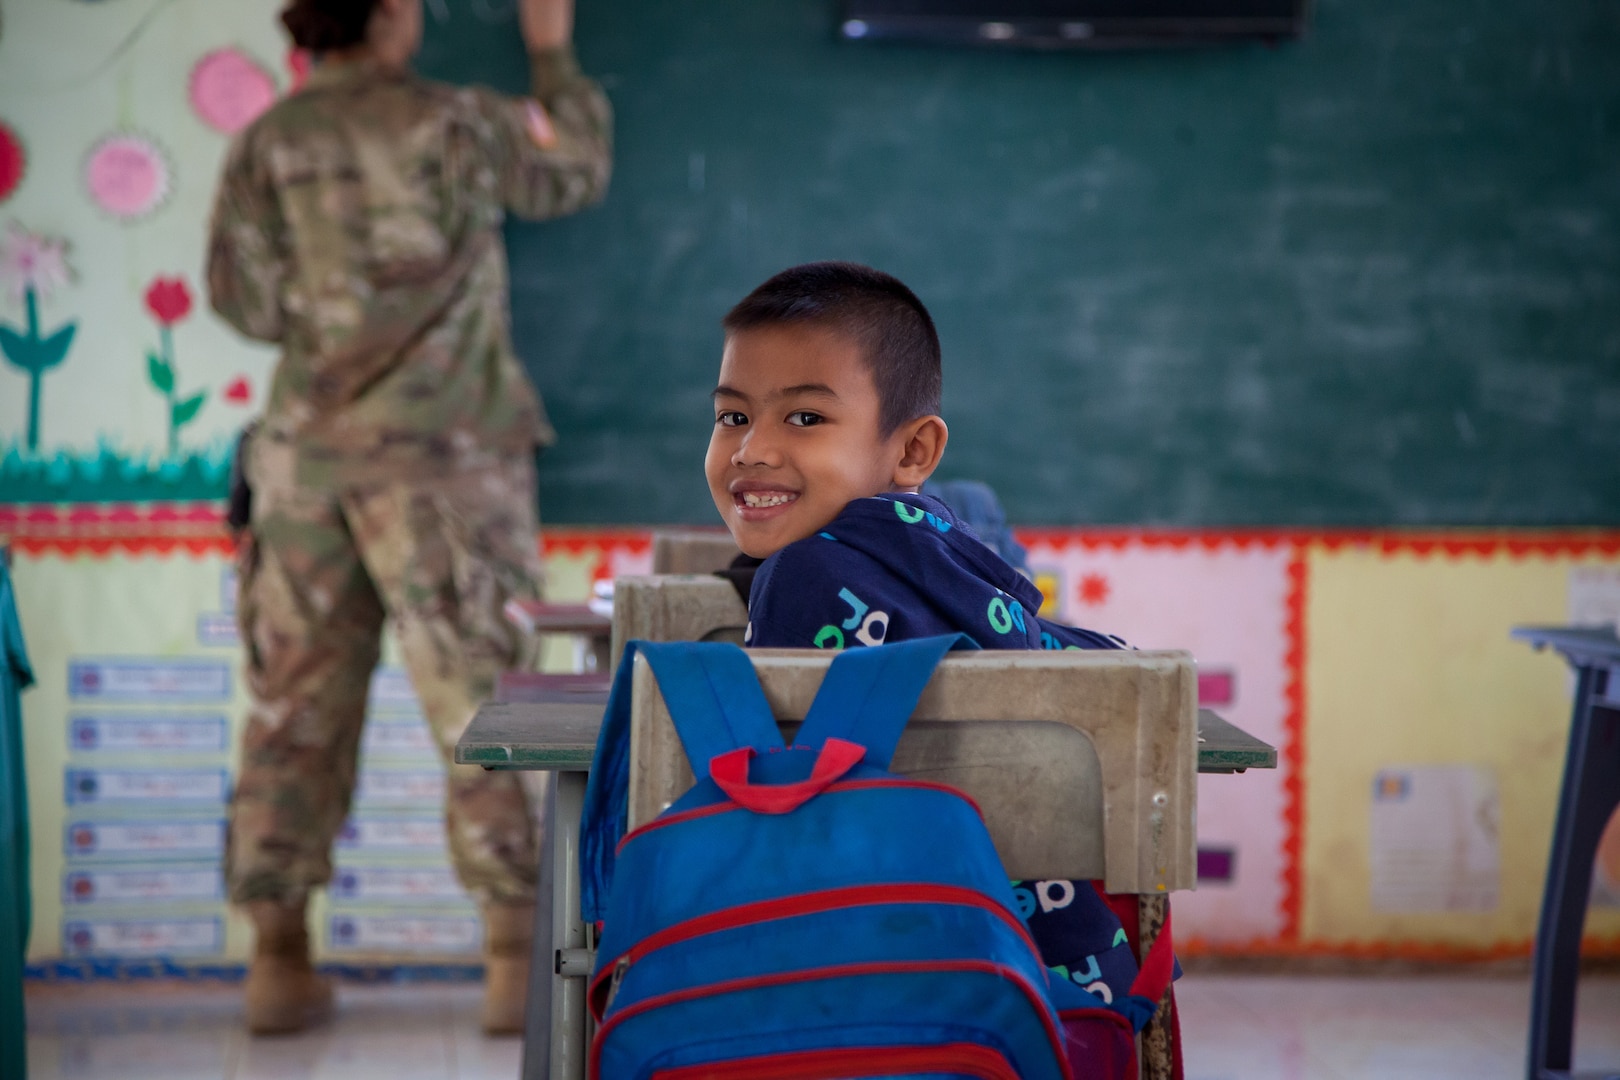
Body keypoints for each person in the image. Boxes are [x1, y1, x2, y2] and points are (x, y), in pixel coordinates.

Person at [205, 0, 611, 1036]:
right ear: (390, 17)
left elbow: (241, 302)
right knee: (488, 700)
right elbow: (574, 170)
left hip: (304, 462)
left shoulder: (268, 141)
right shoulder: (464, 123)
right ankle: (513, 964)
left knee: (293, 705)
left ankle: (278, 964)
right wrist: (552, 52)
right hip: (449, 460)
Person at [703, 261, 1142, 1003]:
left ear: (912, 451)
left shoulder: (800, 576)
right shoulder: (942, 544)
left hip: (884, 980)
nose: (751, 450)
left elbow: (777, 825)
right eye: (733, 416)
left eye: (804, 418)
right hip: (1052, 984)